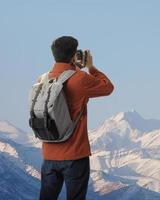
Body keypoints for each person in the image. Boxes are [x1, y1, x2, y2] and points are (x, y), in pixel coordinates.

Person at [39, 36, 114, 200]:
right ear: (74, 56)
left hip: (49, 154)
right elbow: (108, 87)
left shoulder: (43, 80)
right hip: (75, 155)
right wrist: (91, 67)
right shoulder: (80, 78)